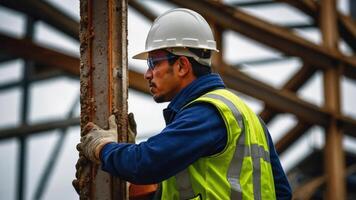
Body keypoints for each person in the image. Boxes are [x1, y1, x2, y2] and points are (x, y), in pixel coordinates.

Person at [76, 8, 292, 199]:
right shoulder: (246, 116)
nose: (148, 74)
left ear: (181, 66)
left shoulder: (205, 114)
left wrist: (102, 148)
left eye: (153, 63)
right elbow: (281, 192)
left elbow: (146, 163)